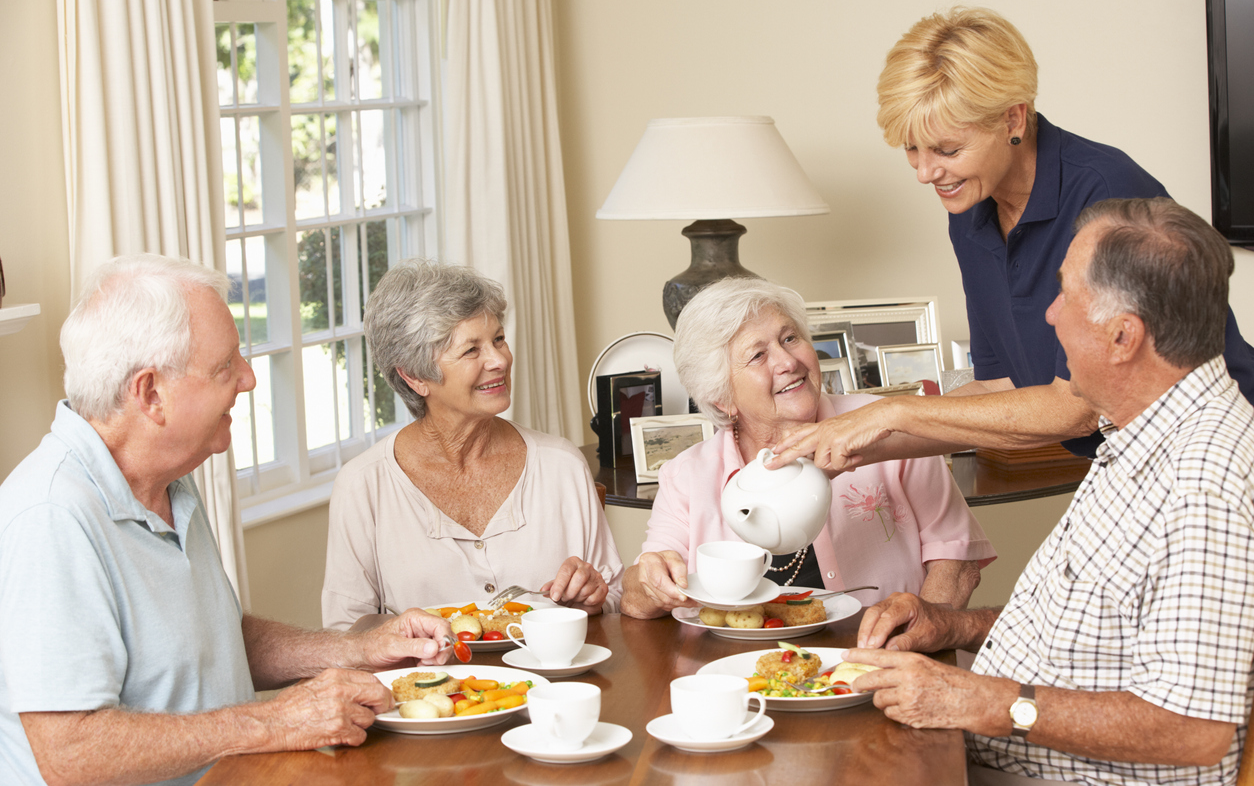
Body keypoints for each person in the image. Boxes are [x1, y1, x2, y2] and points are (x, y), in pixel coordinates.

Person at [0, 255, 457, 786]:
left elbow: (213, 642)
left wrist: (359, 650)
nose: (248, 379)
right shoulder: (50, 518)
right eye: (225, 367)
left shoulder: (169, 477)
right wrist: (275, 721)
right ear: (151, 394)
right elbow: (71, 752)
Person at [846, 199, 1254, 786]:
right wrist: (953, 626)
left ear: (1122, 337)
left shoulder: (1207, 478)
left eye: (1066, 294)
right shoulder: (1145, 429)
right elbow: (1096, 627)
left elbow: (1194, 729)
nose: (1050, 314)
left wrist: (976, 700)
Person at [770, 6, 1254, 474]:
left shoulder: (1106, 195)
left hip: (1213, 458)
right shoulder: (970, 210)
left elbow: (1079, 406)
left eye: (947, 149)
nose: (924, 172)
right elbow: (995, 388)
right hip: (1127, 467)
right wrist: (846, 446)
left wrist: (893, 412)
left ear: (1013, 120)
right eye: (911, 149)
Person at [621, 277, 995, 620]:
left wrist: (915, 640)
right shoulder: (688, 475)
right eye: (758, 356)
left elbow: (956, 562)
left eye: (790, 338)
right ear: (722, 399)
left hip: (880, 661)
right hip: (738, 671)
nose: (788, 362)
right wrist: (653, 580)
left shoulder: (887, 426)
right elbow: (637, 597)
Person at [322, 259, 623, 629]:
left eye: (498, 339)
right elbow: (346, 630)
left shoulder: (561, 464)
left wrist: (594, 596)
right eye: (471, 350)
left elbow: (616, 598)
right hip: (431, 686)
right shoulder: (365, 485)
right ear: (415, 376)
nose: (499, 360)